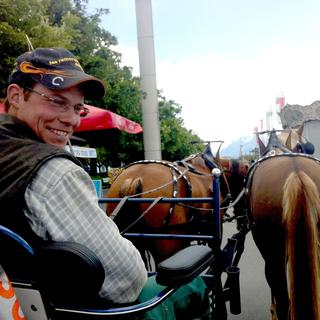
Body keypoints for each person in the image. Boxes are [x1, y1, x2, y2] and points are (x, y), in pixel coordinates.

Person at [0, 47, 209, 319]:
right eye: (56, 101)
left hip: (20, 301)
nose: (71, 120)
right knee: (194, 282)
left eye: (77, 108)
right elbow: (126, 281)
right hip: (79, 309)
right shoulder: (54, 172)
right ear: (16, 96)